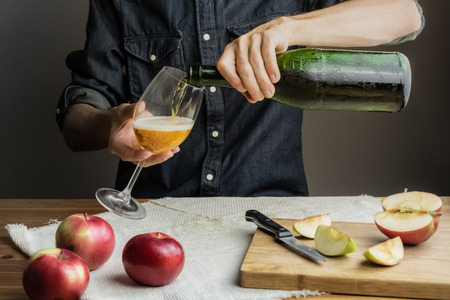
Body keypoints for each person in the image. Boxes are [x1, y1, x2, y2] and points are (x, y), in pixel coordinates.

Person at [56, 0, 424, 198]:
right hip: (155, 215)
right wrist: (112, 122)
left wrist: (290, 27)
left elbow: (404, 13)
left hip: (271, 216)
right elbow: (77, 121)